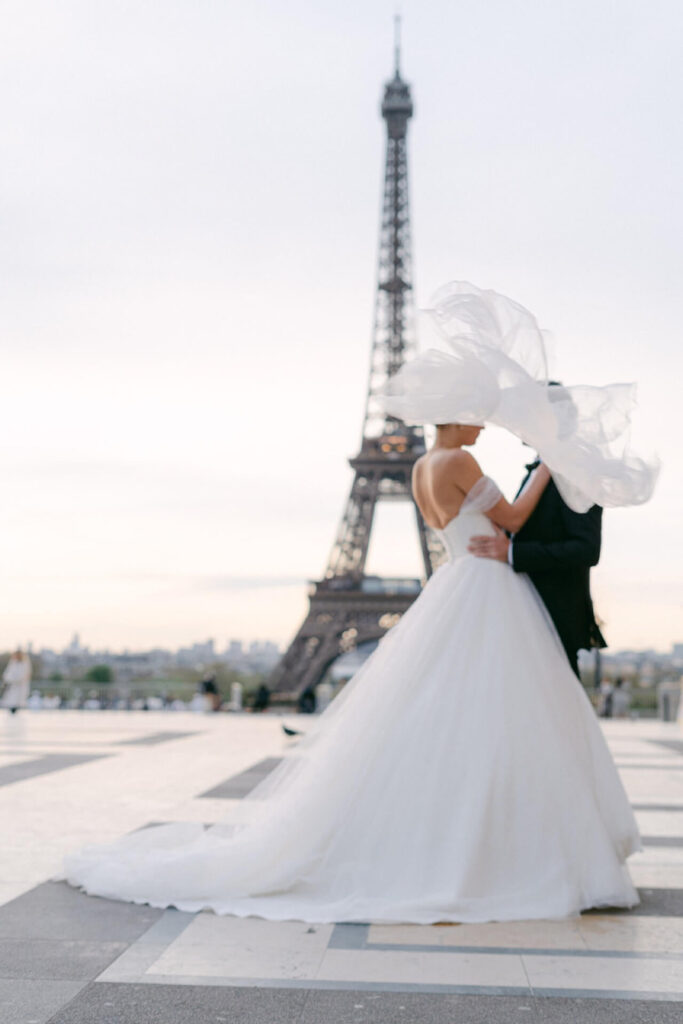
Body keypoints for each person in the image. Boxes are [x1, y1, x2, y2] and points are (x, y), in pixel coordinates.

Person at [61, 283, 657, 924]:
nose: (486, 424)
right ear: (456, 416)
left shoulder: (426, 465)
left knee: (462, 720)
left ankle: (472, 843)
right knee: (503, 719)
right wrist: (550, 465)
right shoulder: (458, 461)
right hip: (485, 589)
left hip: (455, 585)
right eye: (478, 414)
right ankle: (501, 850)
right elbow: (509, 518)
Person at [468, 430, 606, 678]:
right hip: (526, 613)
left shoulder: (577, 474)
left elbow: (587, 549)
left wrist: (513, 553)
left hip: (555, 616)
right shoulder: (539, 468)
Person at [1, 650, 32, 714]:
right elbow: (8, 672)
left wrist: (20, 680)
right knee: (11, 699)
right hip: (12, 684)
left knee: (18, 700)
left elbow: (26, 674)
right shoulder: (13, 663)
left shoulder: (25, 663)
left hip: (20, 684)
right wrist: (9, 679)